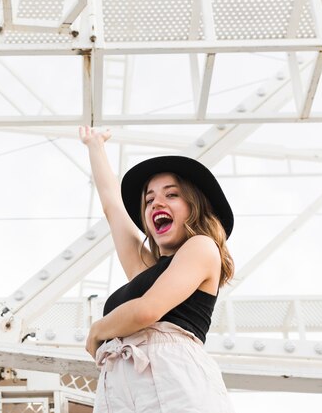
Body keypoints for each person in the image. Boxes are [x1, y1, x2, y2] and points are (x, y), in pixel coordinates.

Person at [79, 126, 234, 412]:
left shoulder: (202, 246)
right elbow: (113, 208)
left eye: (171, 195)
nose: (156, 203)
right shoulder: (146, 272)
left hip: (174, 376)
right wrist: (95, 146)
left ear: (194, 206)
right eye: (149, 199)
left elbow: (146, 311)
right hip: (120, 382)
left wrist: (98, 329)